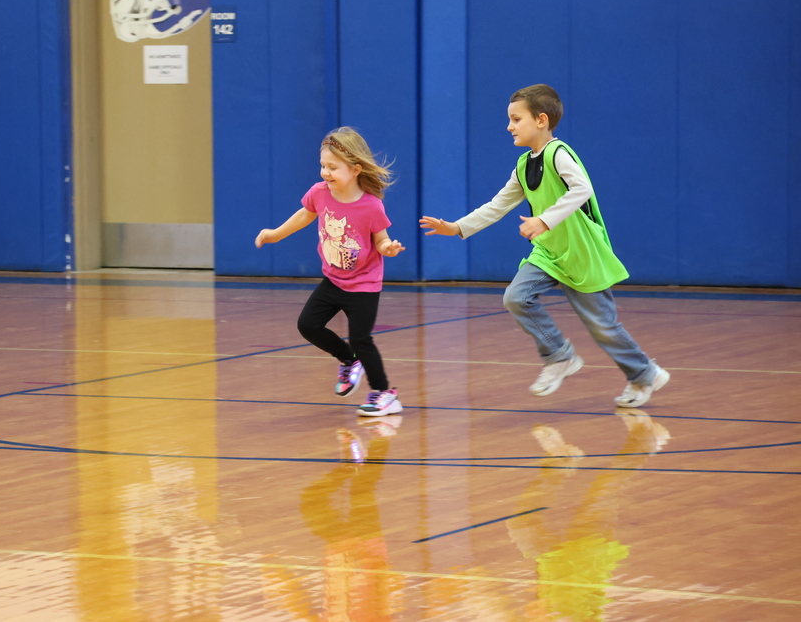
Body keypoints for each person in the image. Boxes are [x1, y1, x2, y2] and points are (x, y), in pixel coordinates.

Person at [420, 84, 668, 408]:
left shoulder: (558, 153)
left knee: (603, 327)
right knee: (516, 297)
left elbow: (582, 189)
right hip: (549, 253)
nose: (509, 126)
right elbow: (497, 205)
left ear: (540, 120)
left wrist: (544, 220)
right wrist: (457, 227)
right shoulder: (524, 165)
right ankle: (559, 356)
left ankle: (644, 374)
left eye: (515, 119)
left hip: (581, 252)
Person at [256, 127, 405, 416]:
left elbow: (381, 239)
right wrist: (275, 234)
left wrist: (388, 248)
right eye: (323, 165)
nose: (325, 172)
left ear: (355, 170)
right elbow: (304, 214)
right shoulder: (319, 193)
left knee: (362, 339)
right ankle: (349, 361)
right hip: (333, 280)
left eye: (333, 167)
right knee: (308, 325)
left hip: (363, 285)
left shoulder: (371, 205)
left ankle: (384, 394)